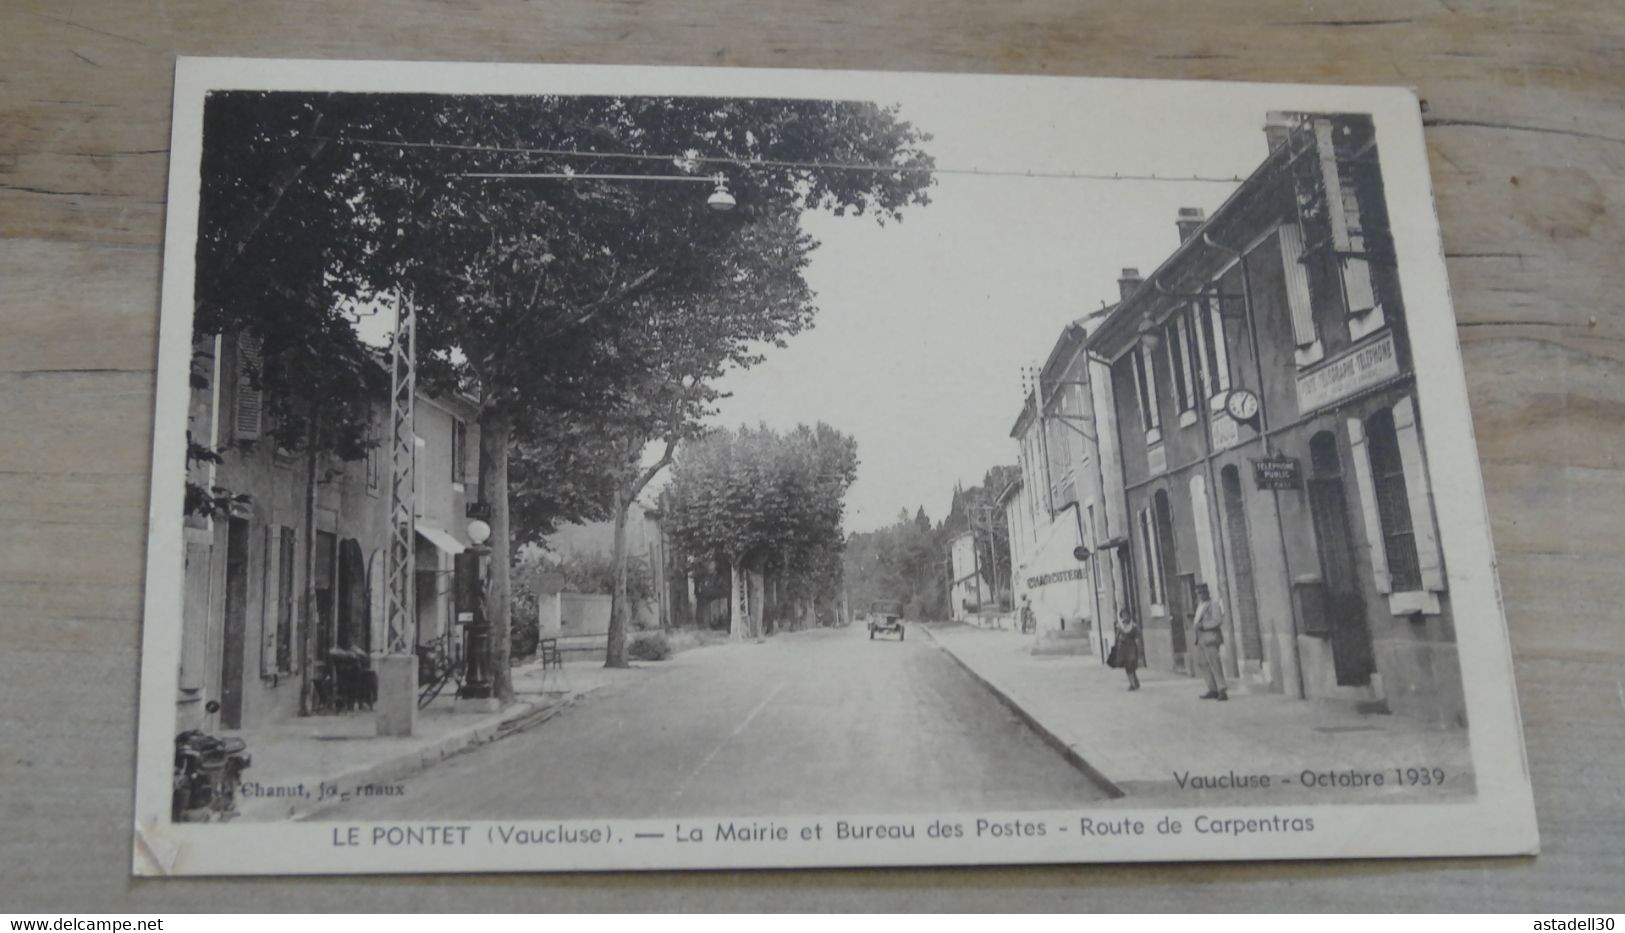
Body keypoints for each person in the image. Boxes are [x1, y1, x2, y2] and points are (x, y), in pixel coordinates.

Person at [1192, 583, 1228, 701]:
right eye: (1198, 593)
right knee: (1203, 663)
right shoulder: (1200, 606)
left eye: (1203, 593)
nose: (1201, 595)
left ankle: (1222, 689)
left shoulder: (1214, 605)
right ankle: (1212, 689)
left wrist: (1203, 625)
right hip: (1200, 639)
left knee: (1215, 664)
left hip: (1211, 638)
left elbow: (1217, 621)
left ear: (1207, 593)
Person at [1113, 607, 1143, 691]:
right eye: (1123, 615)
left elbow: (1137, 638)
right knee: (1127, 666)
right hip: (1123, 648)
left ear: (1129, 615)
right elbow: (1117, 637)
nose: (1124, 617)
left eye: (1126, 615)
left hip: (1132, 647)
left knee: (1131, 665)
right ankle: (1133, 683)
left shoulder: (1133, 626)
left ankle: (1134, 683)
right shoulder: (1120, 626)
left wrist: (1139, 648)